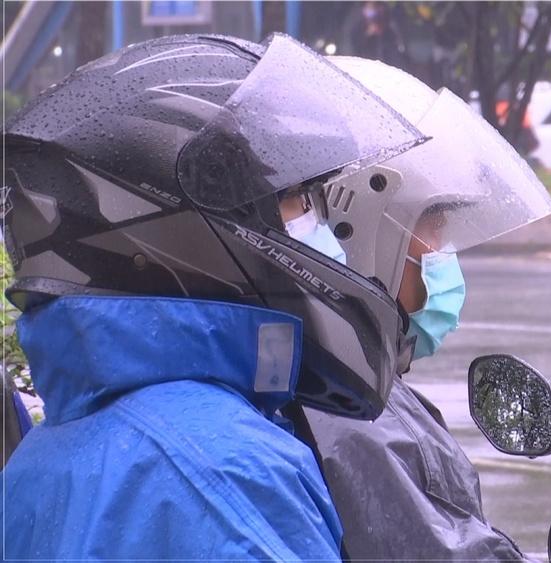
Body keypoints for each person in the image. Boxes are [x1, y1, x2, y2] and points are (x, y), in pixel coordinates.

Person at [0, 32, 428, 560]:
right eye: (294, 199)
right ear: (185, 230)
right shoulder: (227, 465)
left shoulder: (37, 464)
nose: (315, 224)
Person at [277, 56, 551, 561]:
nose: (444, 253)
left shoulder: (313, 375)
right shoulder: (351, 411)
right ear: (359, 226)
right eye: (434, 227)